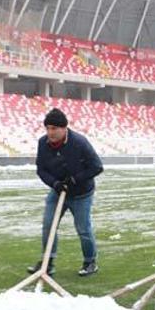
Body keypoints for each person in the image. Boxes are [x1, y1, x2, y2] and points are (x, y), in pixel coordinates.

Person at [28, 108, 104, 277]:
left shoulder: (79, 142)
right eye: (47, 128)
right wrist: (55, 184)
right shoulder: (43, 143)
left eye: (54, 128)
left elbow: (97, 167)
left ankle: (90, 261)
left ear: (64, 128)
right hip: (58, 191)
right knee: (48, 225)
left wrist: (76, 179)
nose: (50, 132)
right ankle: (47, 262)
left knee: (83, 228)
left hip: (82, 194)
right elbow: (41, 170)